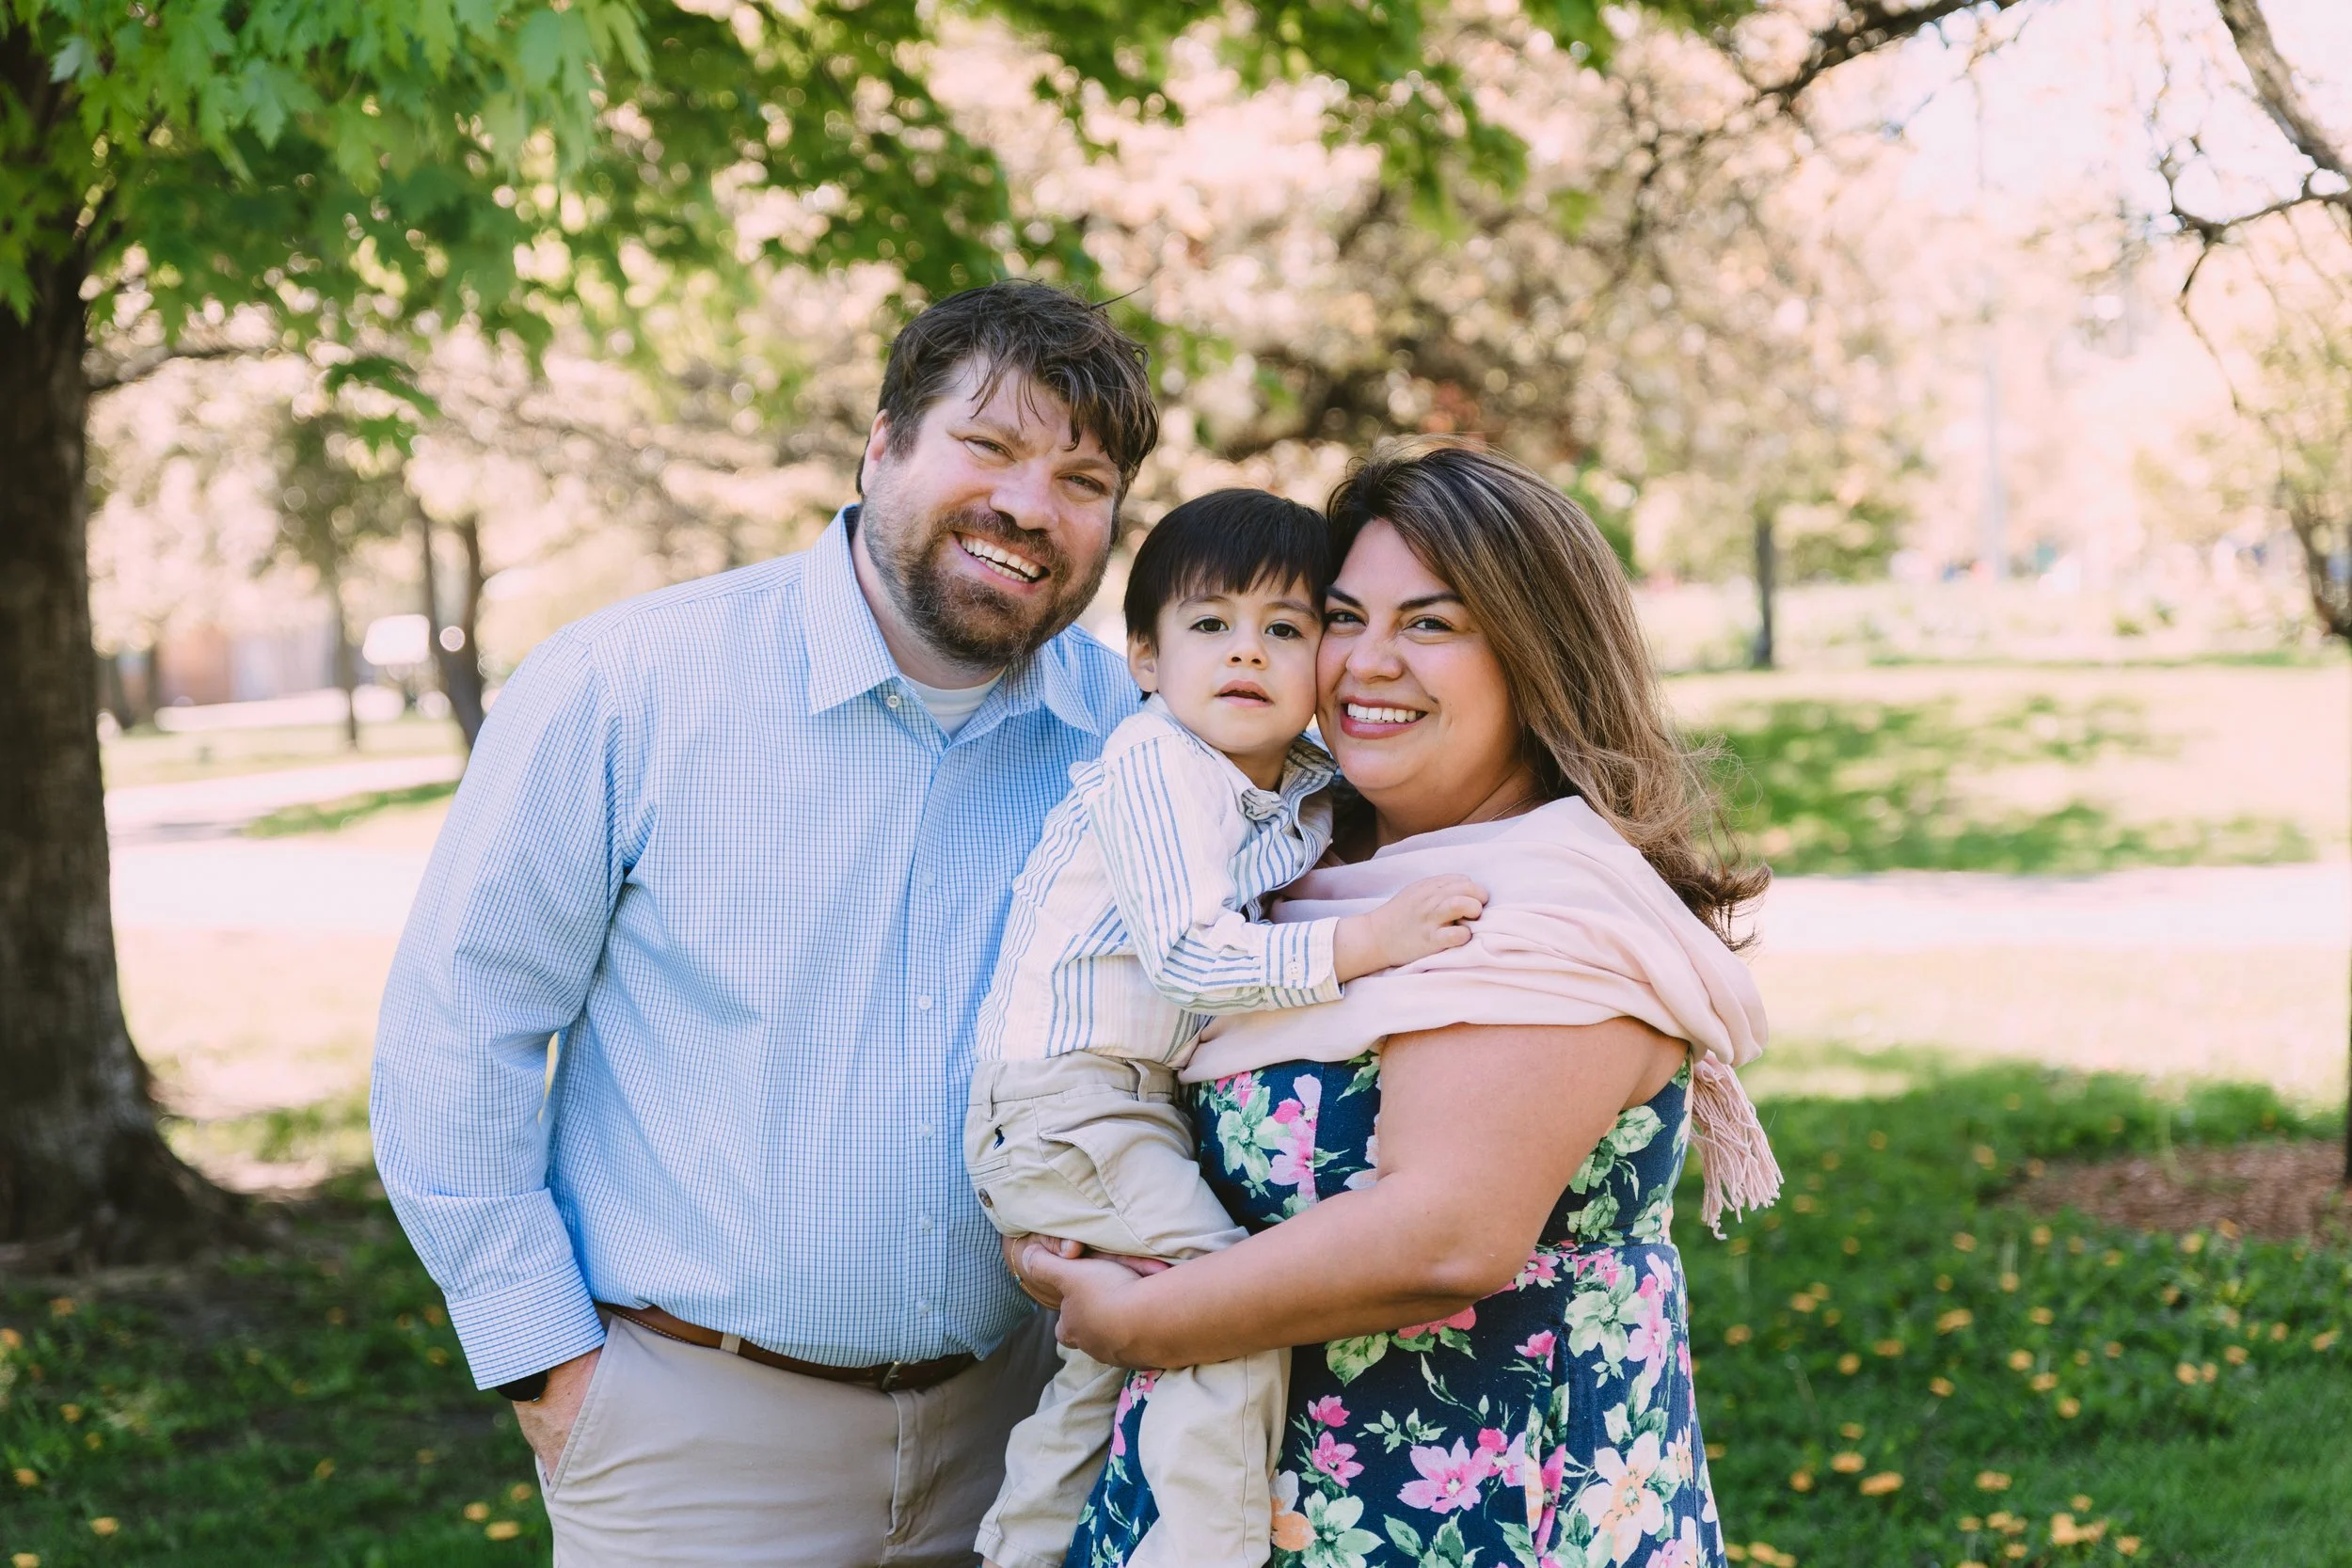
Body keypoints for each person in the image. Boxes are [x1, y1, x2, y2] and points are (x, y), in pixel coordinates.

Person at [369, 280, 1158, 1567]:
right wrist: (551, 1369)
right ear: (885, 442)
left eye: (1084, 477)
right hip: (689, 1440)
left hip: (1025, 1432)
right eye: (990, 445)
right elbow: (462, 1030)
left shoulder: (1131, 740)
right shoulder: (626, 684)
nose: (1032, 504)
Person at [1017, 436, 1780, 1568]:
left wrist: (1134, 1322)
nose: (1365, 663)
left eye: (1430, 623)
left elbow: (1442, 1236)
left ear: (1534, 653)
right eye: (1337, 616)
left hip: (1469, 1518)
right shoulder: (1298, 877)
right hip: (1242, 1502)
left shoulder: (1543, 903)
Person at [963, 489, 1486, 1568]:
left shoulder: (1284, 782)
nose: (1245, 653)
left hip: (1117, 1098)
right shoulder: (1160, 764)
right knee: (1219, 1311)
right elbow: (1191, 955)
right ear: (1146, 660)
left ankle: (1022, 1548)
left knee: (1107, 1364)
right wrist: (1369, 941)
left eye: (1284, 629)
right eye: (1210, 626)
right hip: (1073, 1096)